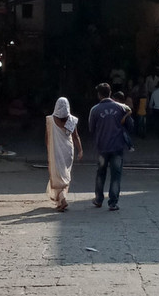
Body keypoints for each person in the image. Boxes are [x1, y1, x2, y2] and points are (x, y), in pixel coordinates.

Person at [89, 82, 129, 211]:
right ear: (110, 93)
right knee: (116, 176)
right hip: (117, 147)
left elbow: (91, 128)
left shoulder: (94, 109)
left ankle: (99, 199)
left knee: (101, 173)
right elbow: (129, 122)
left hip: (102, 148)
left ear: (99, 95)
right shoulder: (121, 107)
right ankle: (113, 203)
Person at [46, 97, 83, 211]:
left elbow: (47, 137)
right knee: (65, 175)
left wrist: (48, 148)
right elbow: (75, 136)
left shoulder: (50, 120)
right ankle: (62, 199)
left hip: (56, 151)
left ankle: (62, 199)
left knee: (58, 175)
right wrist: (80, 150)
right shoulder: (72, 119)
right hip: (68, 151)